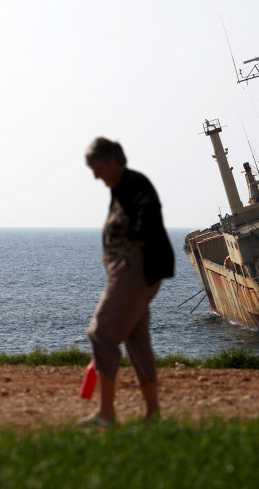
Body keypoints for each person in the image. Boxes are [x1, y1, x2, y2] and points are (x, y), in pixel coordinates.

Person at [82, 137, 174, 426]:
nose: (94, 175)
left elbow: (146, 220)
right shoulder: (120, 188)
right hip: (131, 270)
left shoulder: (133, 184)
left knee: (101, 334)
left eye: (96, 167)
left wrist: (130, 246)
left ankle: (106, 413)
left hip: (134, 269)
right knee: (135, 337)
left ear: (112, 161)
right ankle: (152, 415)